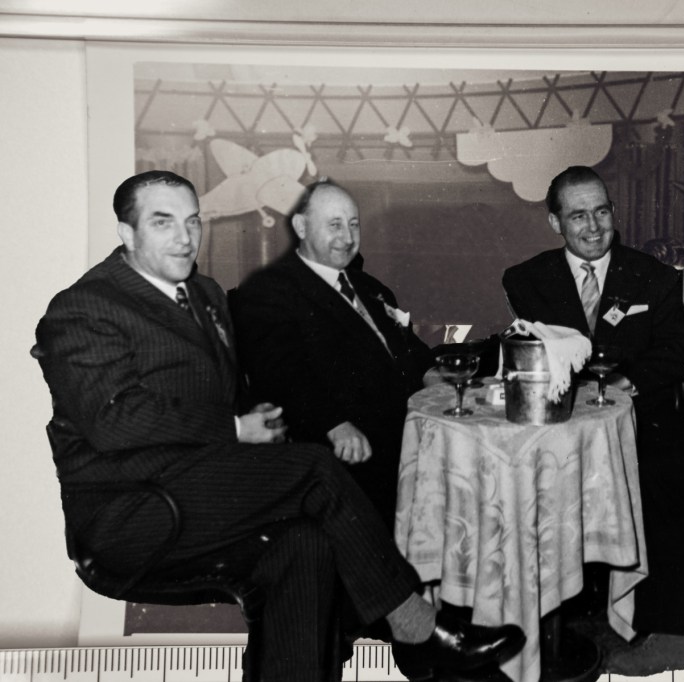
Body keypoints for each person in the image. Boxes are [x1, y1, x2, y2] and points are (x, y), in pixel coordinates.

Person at [34, 170, 524, 682]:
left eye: (192, 221)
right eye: (163, 222)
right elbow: (113, 420)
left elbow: (234, 388)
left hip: (206, 489)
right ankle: (416, 624)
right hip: (129, 511)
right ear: (127, 233)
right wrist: (235, 428)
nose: (184, 237)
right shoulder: (85, 307)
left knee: (305, 546)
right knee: (314, 468)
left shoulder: (203, 293)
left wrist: (266, 418)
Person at [502, 166, 684, 673]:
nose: (594, 227)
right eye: (578, 216)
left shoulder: (653, 276)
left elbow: (680, 351)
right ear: (555, 222)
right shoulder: (525, 279)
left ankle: (674, 631)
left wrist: (626, 382)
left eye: (602, 212)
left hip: (641, 420)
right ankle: (549, 630)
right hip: (560, 427)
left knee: (668, 479)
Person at [231, 178, 436, 527]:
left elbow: (409, 351)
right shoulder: (270, 289)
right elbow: (281, 370)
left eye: (353, 224)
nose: (347, 237)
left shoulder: (370, 287)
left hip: (407, 434)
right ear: (301, 227)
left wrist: (436, 374)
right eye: (335, 225)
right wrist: (334, 424)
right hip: (346, 448)